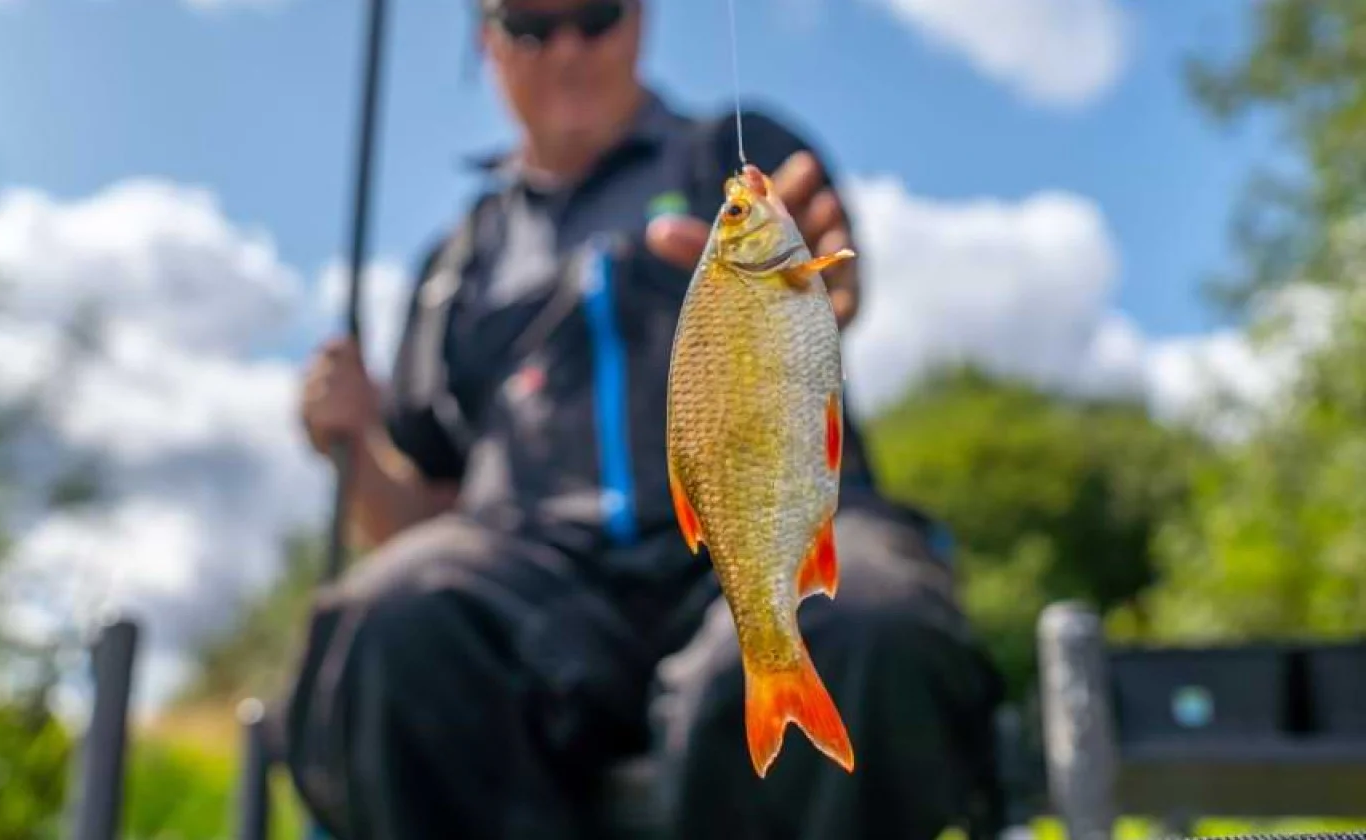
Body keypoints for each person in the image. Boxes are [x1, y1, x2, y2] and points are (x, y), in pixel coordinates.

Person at [285, 1, 1004, 838]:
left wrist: (818, 283)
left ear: (640, 21)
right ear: (489, 43)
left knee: (862, 626)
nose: (568, 49)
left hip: (756, 546)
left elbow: (832, 271)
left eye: (595, 15)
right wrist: (350, 443)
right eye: (530, 25)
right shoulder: (455, 265)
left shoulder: (733, 153)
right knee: (389, 620)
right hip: (532, 585)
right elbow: (416, 518)